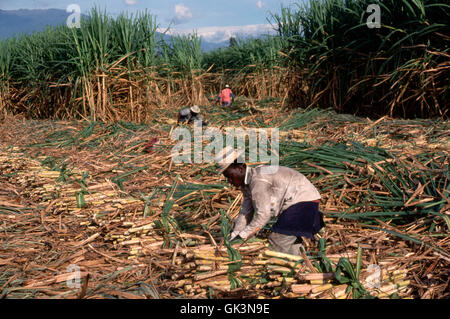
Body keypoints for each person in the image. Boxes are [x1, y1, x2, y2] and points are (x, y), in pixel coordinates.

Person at [215, 146, 324, 256]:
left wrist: (242, 236)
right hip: (301, 203)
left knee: (277, 240)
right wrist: (235, 234)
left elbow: (263, 215)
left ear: (239, 168)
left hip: (303, 202)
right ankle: (303, 265)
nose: (229, 181)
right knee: (286, 242)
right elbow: (246, 212)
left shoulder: (258, 180)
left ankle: (295, 267)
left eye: (230, 176)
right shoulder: (247, 184)